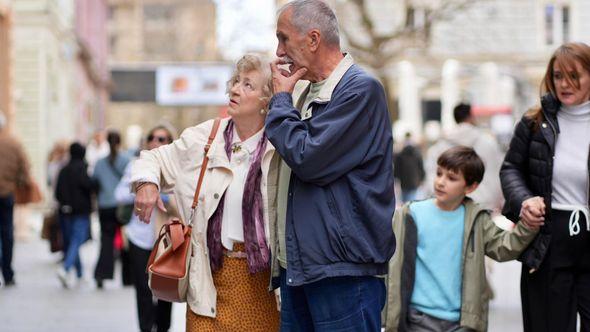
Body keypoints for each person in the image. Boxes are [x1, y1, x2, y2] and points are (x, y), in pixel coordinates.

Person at [266, 1, 396, 330]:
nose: (279, 52)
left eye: (283, 39)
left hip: (343, 272)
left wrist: (281, 101)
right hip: (303, 268)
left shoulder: (360, 90)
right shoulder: (305, 93)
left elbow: (308, 158)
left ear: (313, 39)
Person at [132, 54, 280, 331]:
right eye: (236, 81)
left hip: (263, 286)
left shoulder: (282, 145)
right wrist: (147, 184)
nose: (235, 88)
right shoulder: (206, 137)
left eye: (248, 85)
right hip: (208, 278)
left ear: (267, 100)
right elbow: (152, 159)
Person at [384, 146, 541, 332]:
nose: (441, 182)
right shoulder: (410, 214)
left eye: (451, 178)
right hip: (418, 318)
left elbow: (503, 246)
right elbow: (390, 261)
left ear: (470, 187)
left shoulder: (476, 219)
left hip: (461, 322)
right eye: (439, 173)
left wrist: (528, 225)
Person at [500, 42, 590, 331]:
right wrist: (524, 201)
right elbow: (511, 169)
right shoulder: (533, 122)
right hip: (549, 240)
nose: (564, 84)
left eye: (574, 76)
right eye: (558, 76)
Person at [115, 125, 176, 332]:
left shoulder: (177, 168)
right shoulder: (136, 165)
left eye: (163, 138)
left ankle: (163, 327)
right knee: (142, 287)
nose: (157, 142)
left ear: (170, 141)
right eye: (153, 137)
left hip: (167, 238)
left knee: (166, 288)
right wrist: (142, 190)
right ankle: (146, 327)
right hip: (139, 237)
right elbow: (118, 194)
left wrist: (167, 198)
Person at [424, 103, 504, 212]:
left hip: (448, 207)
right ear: (471, 116)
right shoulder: (489, 143)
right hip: (484, 205)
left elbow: (430, 177)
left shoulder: (439, 146)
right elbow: (499, 172)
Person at [93, 130, 130, 288]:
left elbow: (94, 183)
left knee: (106, 241)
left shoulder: (100, 163)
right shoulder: (126, 161)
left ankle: (101, 274)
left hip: (105, 206)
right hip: (122, 206)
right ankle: (128, 278)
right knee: (126, 241)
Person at [55, 143, 94, 288]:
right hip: (80, 212)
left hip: (65, 212)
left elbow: (57, 192)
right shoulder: (82, 170)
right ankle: (65, 269)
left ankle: (79, 273)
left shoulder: (63, 170)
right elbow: (90, 186)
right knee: (76, 241)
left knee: (72, 241)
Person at [0, 112, 30, 287]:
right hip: (6, 194)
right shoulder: (13, 144)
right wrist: (20, 182)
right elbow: (24, 168)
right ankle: (8, 273)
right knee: (7, 232)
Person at [394, 132, 425, 203]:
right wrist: (422, 178)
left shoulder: (400, 154)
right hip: (414, 181)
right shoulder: (417, 153)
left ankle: (406, 212)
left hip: (404, 182)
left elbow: (397, 169)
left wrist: (397, 178)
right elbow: (421, 167)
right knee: (412, 200)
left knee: (405, 200)